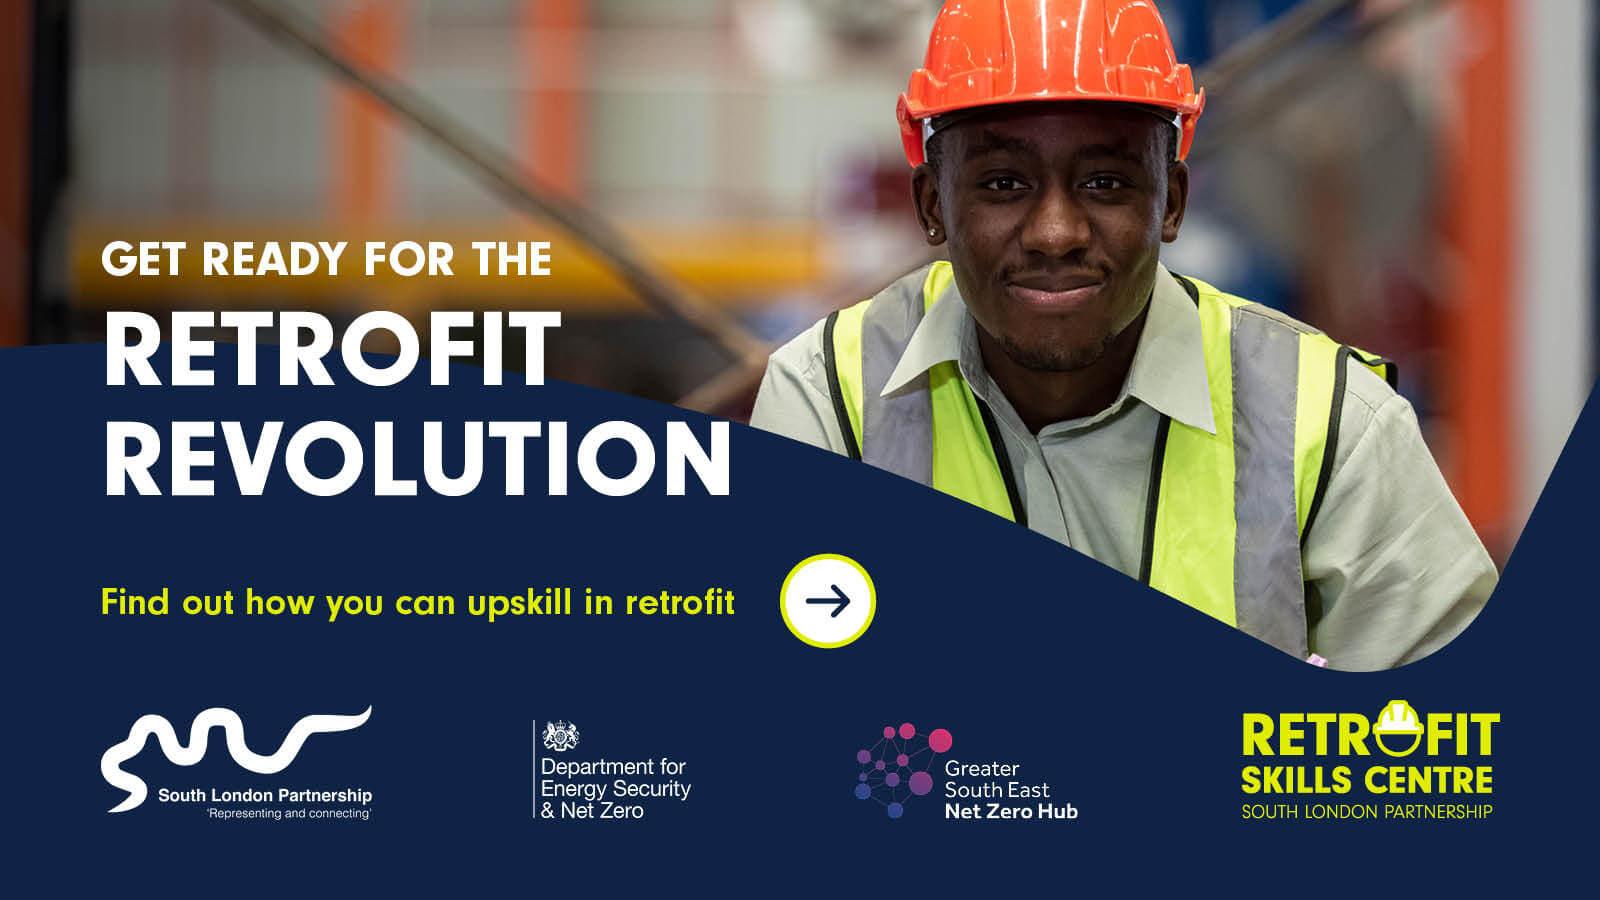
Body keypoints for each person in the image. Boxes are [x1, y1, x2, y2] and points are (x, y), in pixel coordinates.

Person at [750, 0, 1496, 670]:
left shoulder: (1329, 424)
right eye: (1003, 183)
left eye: (1105, 183)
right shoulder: (828, 404)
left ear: (1170, 201)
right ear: (931, 206)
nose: (1055, 232)